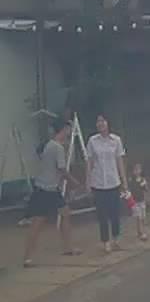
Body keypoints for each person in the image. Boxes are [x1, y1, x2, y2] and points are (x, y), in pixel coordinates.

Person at [21, 120, 82, 267]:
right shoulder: (57, 147)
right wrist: (74, 182)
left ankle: (68, 248)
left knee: (65, 213)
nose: (69, 133)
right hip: (45, 190)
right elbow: (62, 169)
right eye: (68, 129)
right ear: (63, 130)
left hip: (50, 189)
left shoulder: (50, 145)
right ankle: (27, 257)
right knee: (37, 223)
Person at [85, 114, 128, 254]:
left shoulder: (116, 140)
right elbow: (90, 162)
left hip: (113, 182)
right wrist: (88, 181)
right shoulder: (92, 141)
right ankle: (105, 241)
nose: (100, 124)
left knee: (115, 213)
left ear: (108, 123)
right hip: (98, 183)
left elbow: (120, 162)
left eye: (103, 121)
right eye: (98, 121)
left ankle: (116, 238)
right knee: (102, 215)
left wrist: (124, 181)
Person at [130, 162, 149, 242]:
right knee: (138, 217)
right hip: (135, 202)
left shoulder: (143, 180)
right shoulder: (131, 180)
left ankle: (141, 231)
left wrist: (145, 185)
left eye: (138, 169)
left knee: (143, 217)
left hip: (142, 201)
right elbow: (130, 190)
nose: (137, 171)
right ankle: (141, 232)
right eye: (135, 169)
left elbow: (146, 189)